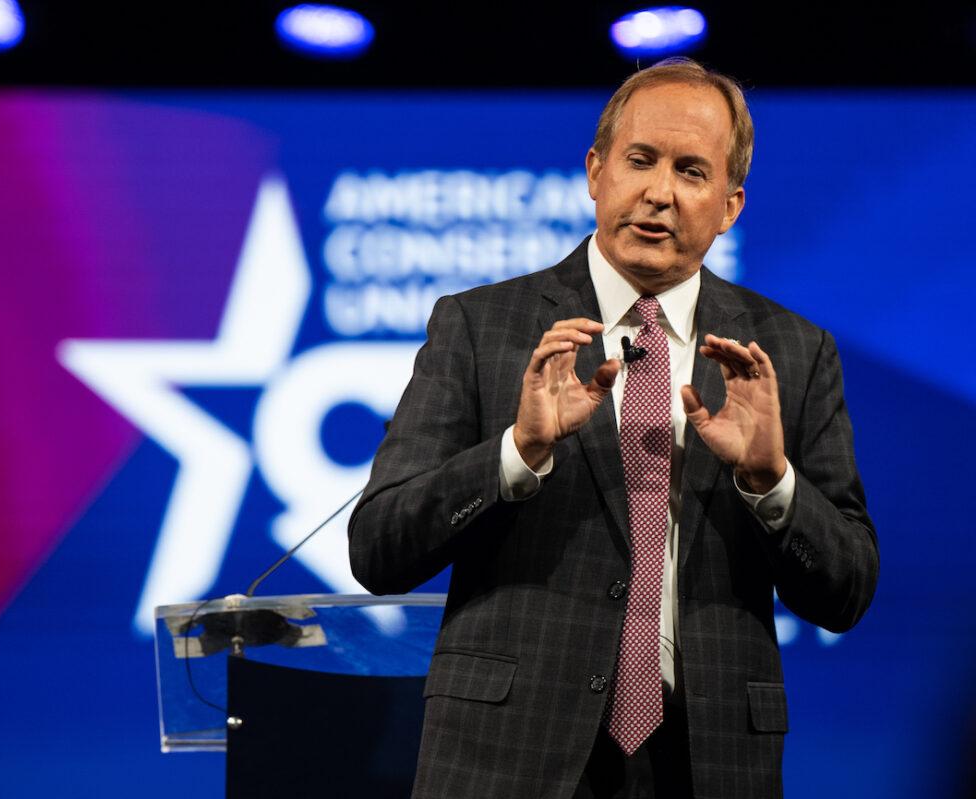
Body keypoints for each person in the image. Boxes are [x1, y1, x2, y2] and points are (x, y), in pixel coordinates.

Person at [347, 57, 878, 799]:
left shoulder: (790, 350)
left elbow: (847, 590)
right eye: (640, 160)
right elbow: (378, 547)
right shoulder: (480, 326)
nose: (659, 193)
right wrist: (517, 454)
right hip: (509, 754)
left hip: (711, 760)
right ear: (596, 172)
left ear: (729, 205)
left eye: (692, 171)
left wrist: (772, 483)